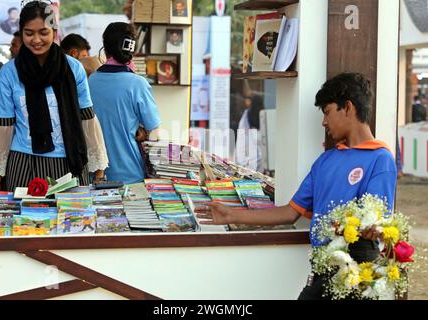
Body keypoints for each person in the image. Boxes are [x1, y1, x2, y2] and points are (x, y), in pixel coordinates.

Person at [196, 73, 398, 300]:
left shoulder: (380, 159)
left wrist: (373, 229)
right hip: (321, 270)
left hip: (357, 271)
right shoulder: (325, 161)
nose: (324, 122)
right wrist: (231, 214)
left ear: (348, 107)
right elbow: (290, 212)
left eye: (327, 112)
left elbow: (374, 222)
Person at [0, 0, 109, 192]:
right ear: (21, 33)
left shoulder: (73, 68)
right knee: (26, 221)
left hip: (70, 162)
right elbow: (3, 127)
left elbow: (87, 117)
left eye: (43, 32)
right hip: (24, 164)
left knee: (73, 221)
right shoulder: (9, 73)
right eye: (29, 33)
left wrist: (99, 169)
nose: (36, 40)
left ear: (54, 31)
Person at [88, 22, 161, 184]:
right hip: (131, 174)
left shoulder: (90, 82)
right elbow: (154, 134)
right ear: (132, 50)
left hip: (96, 175)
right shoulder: (138, 84)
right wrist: (143, 133)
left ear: (105, 48)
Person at [235, 95, 264, 171]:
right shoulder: (262, 112)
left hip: (252, 138)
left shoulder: (248, 113)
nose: (247, 102)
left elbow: (242, 127)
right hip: (260, 138)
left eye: (249, 100)